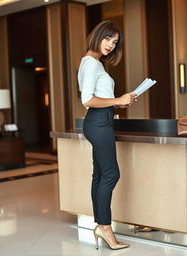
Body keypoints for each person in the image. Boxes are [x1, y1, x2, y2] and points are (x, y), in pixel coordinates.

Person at [77, 20, 136, 250]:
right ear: (98, 35)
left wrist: (119, 102)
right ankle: (105, 227)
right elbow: (87, 100)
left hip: (100, 121)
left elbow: (97, 98)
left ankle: (101, 226)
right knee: (111, 174)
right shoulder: (91, 63)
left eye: (115, 42)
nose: (111, 44)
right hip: (98, 123)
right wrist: (118, 100)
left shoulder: (92, 62)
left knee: (100, 175)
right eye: (108, 38)